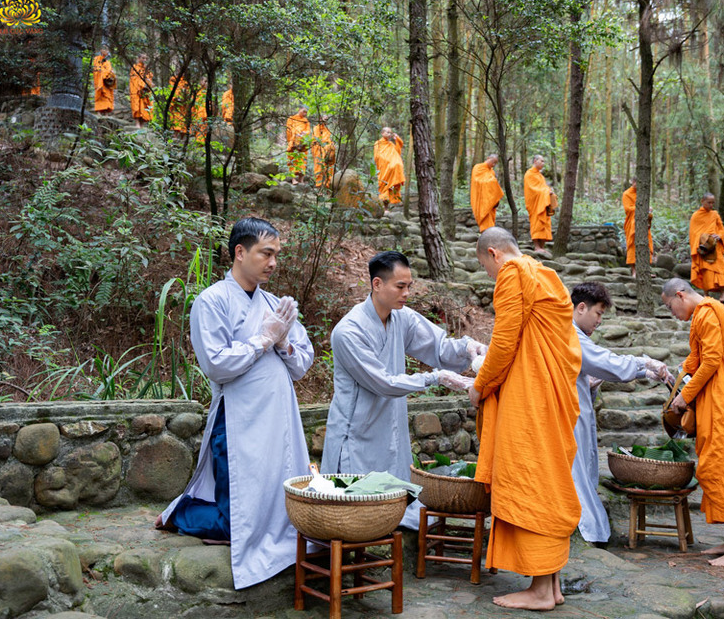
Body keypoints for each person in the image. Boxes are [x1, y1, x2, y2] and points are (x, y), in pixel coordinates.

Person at [157, 218, 315, 589]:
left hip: (280, 418)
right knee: (237, 519)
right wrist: (261, 340)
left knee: (278, 501)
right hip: (238, 420)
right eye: (266, 253)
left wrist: (283, 343)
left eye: (277, 254)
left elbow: (302, 364)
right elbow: (216, 364)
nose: (273, 262)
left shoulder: (276, 304)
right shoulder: (211, 301)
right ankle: (181, 513)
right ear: (240, 252)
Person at [321, 251, 484, 529]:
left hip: (389, 423)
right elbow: (383, 382)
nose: (407, 293)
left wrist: (468, 347)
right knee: (354, 512)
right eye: (400, 286)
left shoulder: (402, 317)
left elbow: (438, 347)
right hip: (357, 429)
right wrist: (436, 378)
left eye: (409, 286)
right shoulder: (348, 331)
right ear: (377, 284)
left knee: (393, 501)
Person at [470, 227, 582, 610]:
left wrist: (480, 386)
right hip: (549, 394)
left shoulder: (513, 274)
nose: (489, 274)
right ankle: (549, 586)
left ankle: (538, 591)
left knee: (531, 478)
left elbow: (504, 341)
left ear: (493, 253)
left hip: (530, 395)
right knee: (548, 478)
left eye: (486, 267)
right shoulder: (545, 275)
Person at [662, 278, 724, 568]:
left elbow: (712, 360)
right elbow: (698, 357)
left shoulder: (707, 311)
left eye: (671, 307)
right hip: (722, 399)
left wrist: (685, 396)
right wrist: (678, 377)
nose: (673, 313)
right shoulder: (706, 313)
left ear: (680, 295)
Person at [571, 282, 670, 544]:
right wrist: (643, 362)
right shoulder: (568, 333)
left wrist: (641, 371)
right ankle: (584, 526)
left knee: (581, 468)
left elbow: (592, 367)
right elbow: (604, 362)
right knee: (575, 472)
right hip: (565, 412)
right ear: (581, 308)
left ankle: (587, 525)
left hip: (575, 408)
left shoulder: (572, 334)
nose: (600, 321)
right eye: (599, 314)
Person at [688, 193, 724, 304]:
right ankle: (706, 294)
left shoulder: (715, 214)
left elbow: (720, 228)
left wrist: (719, 236)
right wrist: (703, 239)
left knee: (720, 269)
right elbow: (693, 233)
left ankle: (723, 295)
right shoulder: (696, 216)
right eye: (709, 202)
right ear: (702, 201)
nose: (711, 205)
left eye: (713, 203)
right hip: (704, 248)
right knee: (706, 270)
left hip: (715, 247)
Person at [622, 178, 653, 278]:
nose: (638, 185)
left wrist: (648, 211)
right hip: (632, 223)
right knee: (632, 247)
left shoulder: (643, 193)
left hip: (643, 223)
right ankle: (634, 272)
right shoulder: (626, 194)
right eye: (637, 182)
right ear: (633, 182)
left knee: (646, 246)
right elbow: (628, 209)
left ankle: (645, 271)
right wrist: (642, 207)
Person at [523, 155, 554, 253]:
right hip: (535, 203)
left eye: (544, 161)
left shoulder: (540, 176)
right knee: (536, 223)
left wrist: (549, 191)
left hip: (543, 203)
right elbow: (532, 189)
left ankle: (542, 247)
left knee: (545, 223)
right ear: (535, 161)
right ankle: (537, 247)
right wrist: (545, 191)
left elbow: (543, 187)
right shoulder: (529, 174)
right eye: (542, 161)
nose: (543, 163)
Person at [470, 154, 504, 232]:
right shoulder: (478, 167)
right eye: (493, 162)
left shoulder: (492, 172)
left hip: (490, 203)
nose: (493, 165)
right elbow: (478, 181)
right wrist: (492, 181)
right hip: (481, 200)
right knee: (486, 226)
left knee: (490, 225)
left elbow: (493, 188)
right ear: (488, 158)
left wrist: (496, 199)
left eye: (495, 163)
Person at [373, 127, 405, 206]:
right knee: (384, 185)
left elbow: (397, 151)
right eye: (387, 132)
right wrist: (386, 161)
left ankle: (391, 203)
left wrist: (397, 139)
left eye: (390, 133)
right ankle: (384, 206)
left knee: (398, 165)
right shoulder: (378, 143)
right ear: (382, 133)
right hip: (384, 167)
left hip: (392, 169)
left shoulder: (391, 144)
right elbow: (377, 156)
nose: (389, 134)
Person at [286, 107, 311, 184]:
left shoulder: (306, 121)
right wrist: (295, 134)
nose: (305, 114)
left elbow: (308, 131)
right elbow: (288, 129)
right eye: (304, 111)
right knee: (293, 159)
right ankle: (293, 179)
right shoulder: (291, 118)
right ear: (299, 110)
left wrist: (304, 133)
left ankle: (301, 179)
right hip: (293, 142)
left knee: (303, 160)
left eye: (306, 112)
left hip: (302, 143)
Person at [311, 115, 335, 188]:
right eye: (324, 119)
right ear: (320, 119)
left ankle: (328, 186)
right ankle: (319, 186)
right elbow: (315, 140)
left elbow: (329, 140)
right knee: (319, 168)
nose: (325, 121)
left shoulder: (328, 130)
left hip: (328, 151)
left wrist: (331, 146)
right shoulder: (316, 128)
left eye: (326, 119)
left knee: (329, 169)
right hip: (318, 151)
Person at [129, 54, 152, 128]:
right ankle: (137, 123)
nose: (144, 60)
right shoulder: (134, 67)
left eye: (146, 58)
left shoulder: (146, 69)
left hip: (145, 90)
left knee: (145, 105)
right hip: (136, 90)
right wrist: (140, 86)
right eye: (143, 58)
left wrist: (149, 83)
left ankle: (142, 124)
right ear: (138, 58)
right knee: (136, 106)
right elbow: (133, 79)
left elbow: (149, 78)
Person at [92, 47, 116, 115]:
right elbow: (96, 69)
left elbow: (109, 70)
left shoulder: (108, 62)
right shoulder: (96, 59)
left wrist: (111, 73)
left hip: (106, 82)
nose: (106, 51)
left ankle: (106, 112)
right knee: (100, 94)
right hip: (99, 80)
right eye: (104, 49)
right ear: (101, 50)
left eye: (107, 50)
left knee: (107, 96)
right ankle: (99, 112)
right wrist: (104, 73)